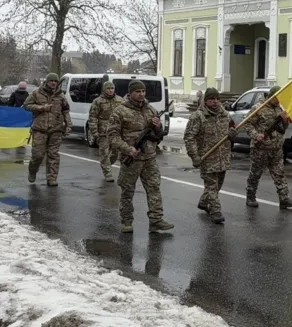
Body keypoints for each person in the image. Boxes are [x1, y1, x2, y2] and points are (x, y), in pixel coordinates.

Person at [108, 79, 174, 233]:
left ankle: (156, 220)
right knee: (127, 191)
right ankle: (126, 221)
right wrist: (128, 149)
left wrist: (157, 126)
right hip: (131, 158)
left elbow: (159, 135)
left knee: (154, 188)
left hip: (149, 157)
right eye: (137, 91)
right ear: (130, 93)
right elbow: (112, 136)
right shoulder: (120, 111)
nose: (141, 94)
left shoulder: (150, 109)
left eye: (143, 91)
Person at [184, 87, 236, 225]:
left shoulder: (225, 115)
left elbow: (231, 130)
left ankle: (203, 202)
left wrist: (232, 135)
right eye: (212, 99)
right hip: (207, 157)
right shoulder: (198, 117)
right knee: (212, 186)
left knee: (217, 185)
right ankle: (215, 211)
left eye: (217, 99)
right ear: (206, 101)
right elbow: (189, 138)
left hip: (223, 157)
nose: (215, 102)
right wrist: (194, 156)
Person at [244, 86, 292, 209]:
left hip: (276, 148)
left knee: (279, 173)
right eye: (277, 97)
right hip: (260, 148)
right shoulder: (258, 108)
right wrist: (255, 135)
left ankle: (284, 198)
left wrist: (285, 121)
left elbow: (283, 130)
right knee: (255, 174)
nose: (279, 100)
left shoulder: (280, 109)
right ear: (272, 96)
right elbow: (247, 123)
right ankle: (250, 196)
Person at [23, 73, 71, 186]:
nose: (53, 83)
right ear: (47, 82)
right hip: (40, 129)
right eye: (51, 81)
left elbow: (66, 110)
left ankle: (52, 178)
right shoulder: (36, 92)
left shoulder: (60, 95)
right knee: (38, 155)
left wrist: (68, 123)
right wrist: (41, 108)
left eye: (55, 81)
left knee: (53, 155)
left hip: (56, 129)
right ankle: (32, 170)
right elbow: (26, 105)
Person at [88, 80, 123, 182]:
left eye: (112, 88)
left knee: (115, 153)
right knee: (104, 153)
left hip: (116, 131)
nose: (110, 90)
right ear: (104, 89)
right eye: (108, 88)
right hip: (103, 132)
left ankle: (107, 164)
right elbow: (92, 118)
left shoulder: (120, 100)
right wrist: (95, 133)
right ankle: (107, 172)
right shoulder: (98, 101)